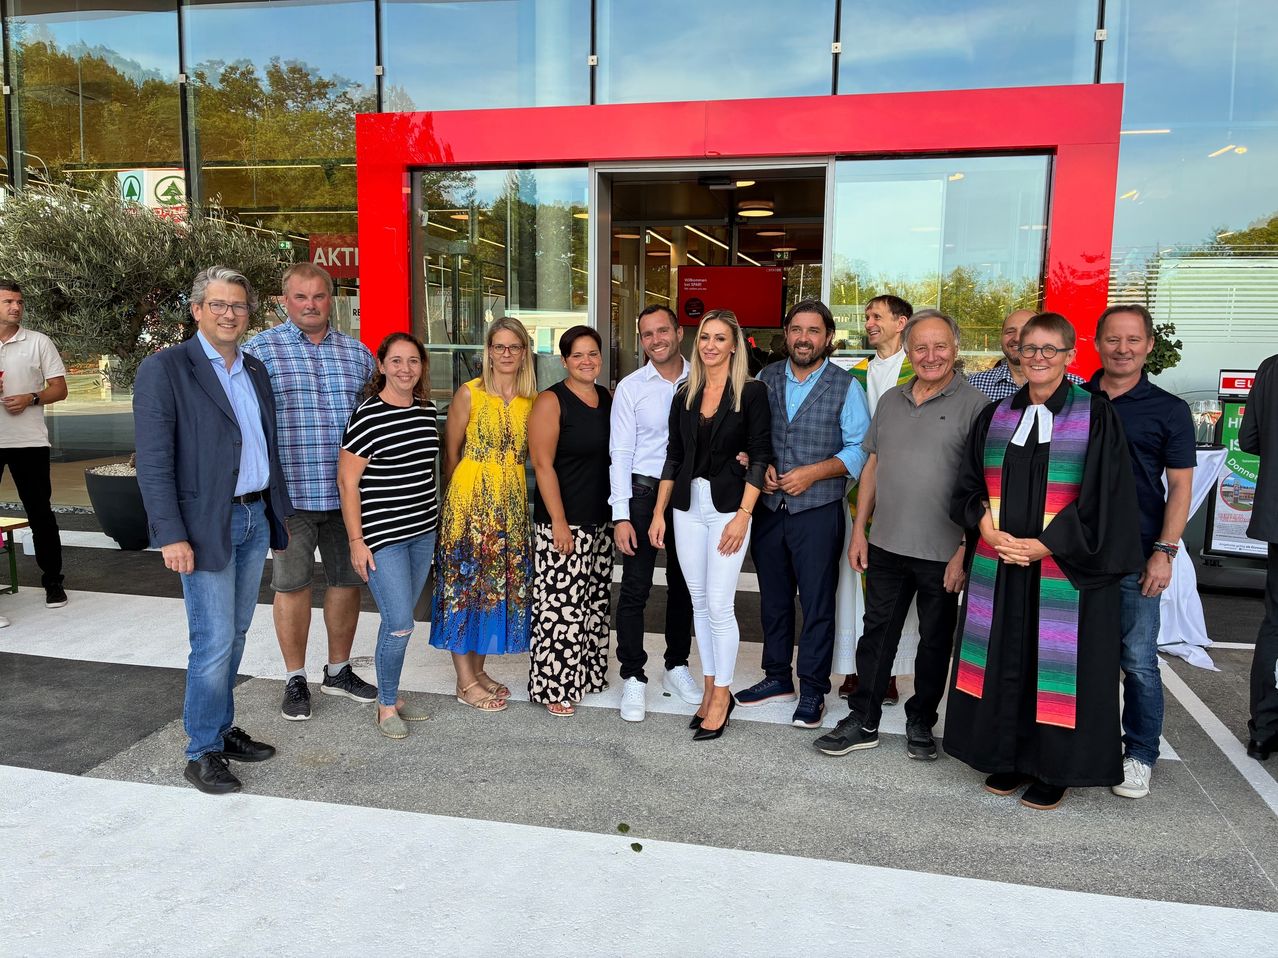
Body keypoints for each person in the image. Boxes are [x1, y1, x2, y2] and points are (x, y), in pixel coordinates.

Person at [944, 312, 1142, 810]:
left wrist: (1047, 544)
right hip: (1001, 565)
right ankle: (1004, 757)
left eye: (1049, 350)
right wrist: (985, 529)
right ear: (1017, 352)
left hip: (1063, 569)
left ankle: (1054, 769)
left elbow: (1108, 498)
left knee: (1054, 665)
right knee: (1003, 657)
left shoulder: (1095, 415)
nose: (1038, 358)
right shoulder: (996, 416)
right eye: (1030, 348)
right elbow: (968, 485)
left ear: (1070, 356)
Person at [134, 265, 293, 795]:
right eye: (218, 305)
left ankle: (220, 730)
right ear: (197, 310)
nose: (230, 314)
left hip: (252, 515)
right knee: (213, 640)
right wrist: (170, 533)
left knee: (238, 633)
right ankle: (201, 750)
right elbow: (154, 461)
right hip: (205, 523)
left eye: (239, 306)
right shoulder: (166, 369)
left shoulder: (256, 370)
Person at [814, 311, 987, 760]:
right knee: (876, 636)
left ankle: (921, 721)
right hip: (885, 544)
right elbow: (871, 466)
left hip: (943, 551)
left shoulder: (977, 406)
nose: (931, 356)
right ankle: (863, 719)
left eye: (941, 346)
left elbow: (986, 486)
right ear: (908, 351)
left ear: (955, 349)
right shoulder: (890, 400)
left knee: (934, 642)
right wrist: (859, 533)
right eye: (921, 347)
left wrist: (965, 550)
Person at [244, 262, 378, 721]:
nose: (310, 305)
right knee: (292, 585)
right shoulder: (257, 352)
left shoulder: (358, 355)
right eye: (300, 297)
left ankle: (338, 670)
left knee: (346, 582)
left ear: (331, 298)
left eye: (318, 296)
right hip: (290, 496)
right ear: (285, 301)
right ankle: (294, 677)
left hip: (347, 496)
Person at [735, 299, 870, 728]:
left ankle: (813, 688)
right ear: (786, 334)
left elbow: (860, 451)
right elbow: (749, 438)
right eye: (796, 329)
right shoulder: (764, 379)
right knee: (773, 600)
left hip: (818, 511)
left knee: (816, 603)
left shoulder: (846, 386)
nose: (804, 338)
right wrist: (763, 465)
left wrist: (814, 472)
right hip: (770, 508)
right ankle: (777, 677)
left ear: (828, 338)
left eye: (813, 330)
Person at [1086, 304, 1195, 797]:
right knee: (1081, 654)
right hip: (1078, 553)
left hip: (1138, 554)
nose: (1122, 349)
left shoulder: (1169, 409)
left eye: (1133, 340)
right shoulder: (1075, 399)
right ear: (1097, 342)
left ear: (1149, 345)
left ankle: (1140, 753)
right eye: (1113, 339)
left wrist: (1165, 552)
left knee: (1137, 659)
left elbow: (1180, 487)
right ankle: (1086, 742)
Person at [650, 309, 772, 741]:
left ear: (735, 344)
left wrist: (744, 515)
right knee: (699, 600)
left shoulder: (752, 393)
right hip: (687, 505)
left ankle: (723, 693)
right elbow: (673, 455)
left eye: (720, 338)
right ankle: (707, 687)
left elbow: (760, 457)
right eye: (705, 337)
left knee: (720, 604)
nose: (710, 345)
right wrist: (659, 511)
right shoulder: (686, 390)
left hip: (728, 507)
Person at [431, 317, 537, 711]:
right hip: (469, 501)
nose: (506, 354)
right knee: (463, 588)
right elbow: (451, 452)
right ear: (488, 352)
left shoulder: (532, 399)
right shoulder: (469, 394)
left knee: (493, 587)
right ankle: (463, 681)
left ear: (524, 352)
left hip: (508, 503)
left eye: (514, 347)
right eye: (499, 347)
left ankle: (478, 670)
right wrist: (460, 502)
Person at [338, 333, 440, 740]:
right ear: (381, 365)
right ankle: (385, 707)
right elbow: (347, 483)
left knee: (401, 620)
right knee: (399, 623)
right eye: (396, 361)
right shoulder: (367, 415)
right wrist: (356, 541)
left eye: (413, 361)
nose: (405, 369)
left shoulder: (427, 410)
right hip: (383, 537)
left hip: (422, 531)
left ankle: (393, 695)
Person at [609, 305, 701, 722]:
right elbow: (620, 453)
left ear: (679, 332)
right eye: (647, 334)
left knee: (685, 585)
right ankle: (632, 675)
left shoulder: (702, 378)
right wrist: (621, 514)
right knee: (635, 588)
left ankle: (676, 666)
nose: (656, 339)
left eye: (662, 330)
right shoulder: (631, 387)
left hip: (690, 494)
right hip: (643, 494)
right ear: (641, 340)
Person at [527, 326, 614, 716]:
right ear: (564, 360)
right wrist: (558, 522)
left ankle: (589, 674)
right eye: (577, 355)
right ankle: (554, 687)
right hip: (563, 520)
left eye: (592, 354)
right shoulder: (551, 400)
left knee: (593, 602)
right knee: (559, 607)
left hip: (601, 518)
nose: (586, 361)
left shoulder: (607, 397)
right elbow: (542, 465)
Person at [834, 294, 915, 704]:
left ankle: (889, 671)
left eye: (876, 316)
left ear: (902, 322)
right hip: (858, 491)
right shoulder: (857, 372)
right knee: (853, 581)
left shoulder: (918, 370)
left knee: (894, 586)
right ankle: (853, 665)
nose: (868, 323)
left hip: (903, 492)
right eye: (867, 316)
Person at [0, 279, 69, 611]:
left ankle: (53, 582)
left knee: (40, 513)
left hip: (28, 441)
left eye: (19, 302)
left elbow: (60, 389)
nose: (16, 307)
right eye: (8, 302)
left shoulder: (39, 342)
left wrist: (31, 397)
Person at [1240, 353, 1278, 762]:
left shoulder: (1271, 367)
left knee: (1275, 625)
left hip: (1275, 516)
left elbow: (1250, 440)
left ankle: (1265, 731)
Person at [968, 307, 1084, 402]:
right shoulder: (974, 385)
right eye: (1010, 331)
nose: (1018, 338)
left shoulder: (1081, 389)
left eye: (1025, 332)